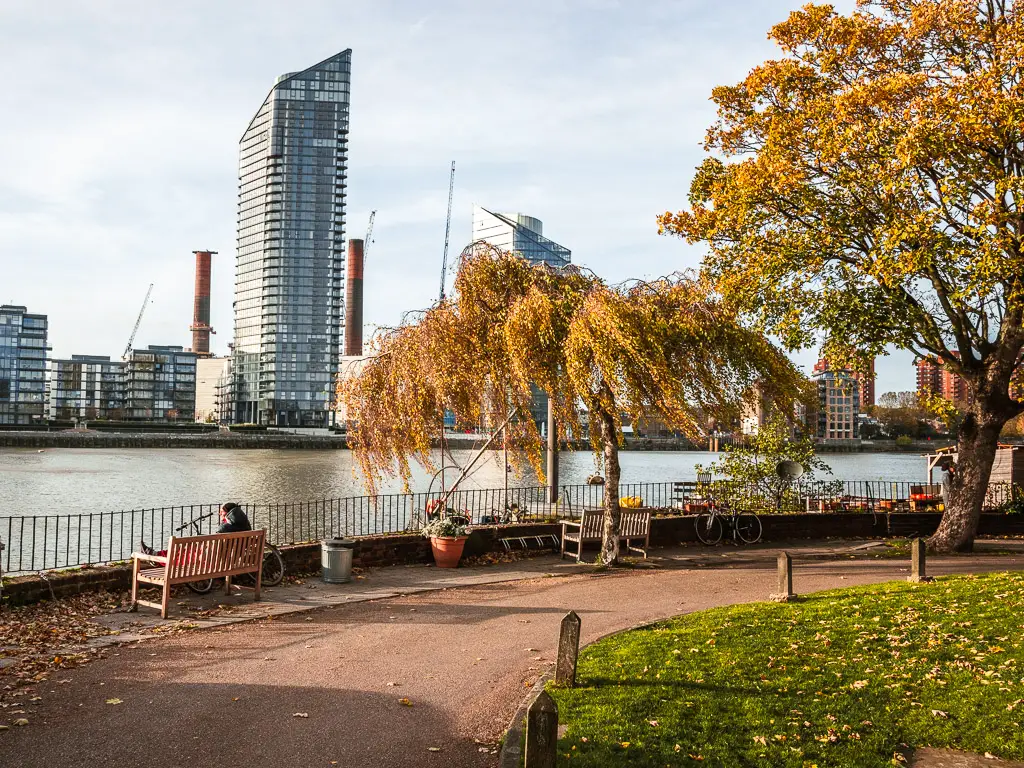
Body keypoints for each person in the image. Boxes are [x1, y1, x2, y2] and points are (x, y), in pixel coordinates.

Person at [138, 502, 251, 555]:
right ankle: (157, 554)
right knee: (186, 550)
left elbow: (213, 544)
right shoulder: (243, 527)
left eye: (221, 512)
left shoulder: (226, 527)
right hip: (226, 559)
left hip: (211, 560)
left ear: (227, 514)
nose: (219, 514)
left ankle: (156, 555)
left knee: (183, 552)